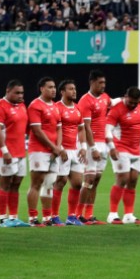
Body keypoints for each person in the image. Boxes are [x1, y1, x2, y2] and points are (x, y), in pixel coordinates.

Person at [105, 87, 140, 225]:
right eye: (130, 102)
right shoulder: (116, 109)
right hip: (120, 149)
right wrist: (111, 148)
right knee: (122, 179)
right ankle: (113, 214)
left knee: (133, 180)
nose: (133, 105)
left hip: (136, 150)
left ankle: (128, 215)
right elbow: (108, 130)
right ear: (125, 96)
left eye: (135, 103)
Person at [26, 77, 65, 226]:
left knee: (49, 183)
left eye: (54, 87)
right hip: (39, 151)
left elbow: (59, 128)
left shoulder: (55, 106)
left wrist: (58, 147)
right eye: (50, 87)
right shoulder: (35, 105)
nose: (53, 89)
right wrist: (53, 147)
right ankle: (32, 218)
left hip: (53, 151)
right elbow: (37, 130)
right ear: (42, 89)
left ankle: (47, 218)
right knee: (36, 183)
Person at [0, 80, 31, 227]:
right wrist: (4, 151)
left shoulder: (22, 106)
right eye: (17, 92)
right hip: (6, 153)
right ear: (8, 91)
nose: (20, 95)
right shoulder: (0, 106)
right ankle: (3, 219)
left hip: (21, 152)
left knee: (16, 185)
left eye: (22, 92)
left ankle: (13, 217)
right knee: (5, 184)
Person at [77, 70, 112, 224]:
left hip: (103, 143)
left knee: (96, 179)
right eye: (100, 83)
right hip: (93, 144)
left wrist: (132, 99)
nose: (103, 86)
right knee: (89, 178)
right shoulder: (85, 101)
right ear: (92, 82)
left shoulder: (105, 98)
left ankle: (89, 214)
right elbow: (86, 127)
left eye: (104, 82)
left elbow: (115, 103)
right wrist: (92, 148)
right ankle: (78, 215)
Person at [53, 80, 86, 225]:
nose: (74, 91)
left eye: (75, 88)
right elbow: (53, 129)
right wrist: (59, 148)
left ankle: (71, 217)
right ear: (62, 92)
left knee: (78, 183)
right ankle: (54, 216)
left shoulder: (77, 108)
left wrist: (83, 147)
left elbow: (81, 128)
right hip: (62, 150)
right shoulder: (57, 108)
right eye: (71, 89)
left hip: (75, 150)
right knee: (60, 182)